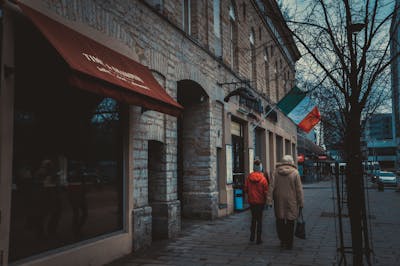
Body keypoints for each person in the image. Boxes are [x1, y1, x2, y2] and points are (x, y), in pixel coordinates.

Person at [272, 155, 304, 250]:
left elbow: (271, 187)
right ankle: (289, 243)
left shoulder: (276, 172)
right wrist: (301, 202)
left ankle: (282, 240)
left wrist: (269, 200)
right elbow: (299, 190)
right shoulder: (295, 173)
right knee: (290, 222)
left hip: (279, 201)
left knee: (280, 221)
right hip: (292, 201)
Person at [244, 159, 269, 244]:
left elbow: (246, 189)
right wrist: (266, 201)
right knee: (260, 220)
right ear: (260, 168)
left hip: (252, 201)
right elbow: (266, 191)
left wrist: (251, 194)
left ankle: (252, 236)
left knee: (253, 219)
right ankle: (258, 238)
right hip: (260, 202)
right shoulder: (263, 179)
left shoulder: (249, 177)